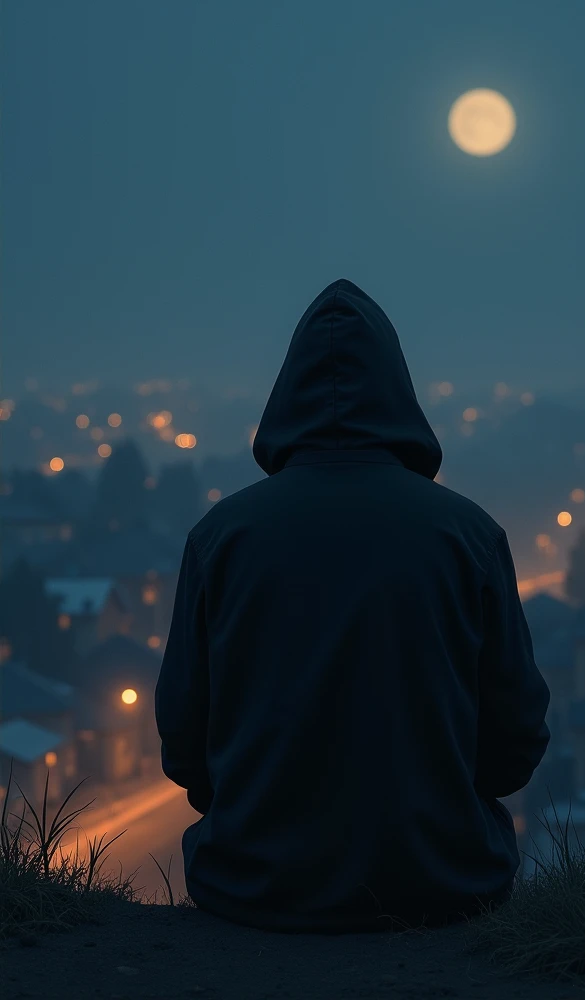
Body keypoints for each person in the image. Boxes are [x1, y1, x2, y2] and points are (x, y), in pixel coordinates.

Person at [155, 278, 551, 933]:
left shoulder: (222, 539)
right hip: (443, 880)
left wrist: (258, 812)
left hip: (252, 885)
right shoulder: (468, 537)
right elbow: (516, 738)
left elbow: (184, 744)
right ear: (400, 393)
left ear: (283, 396)